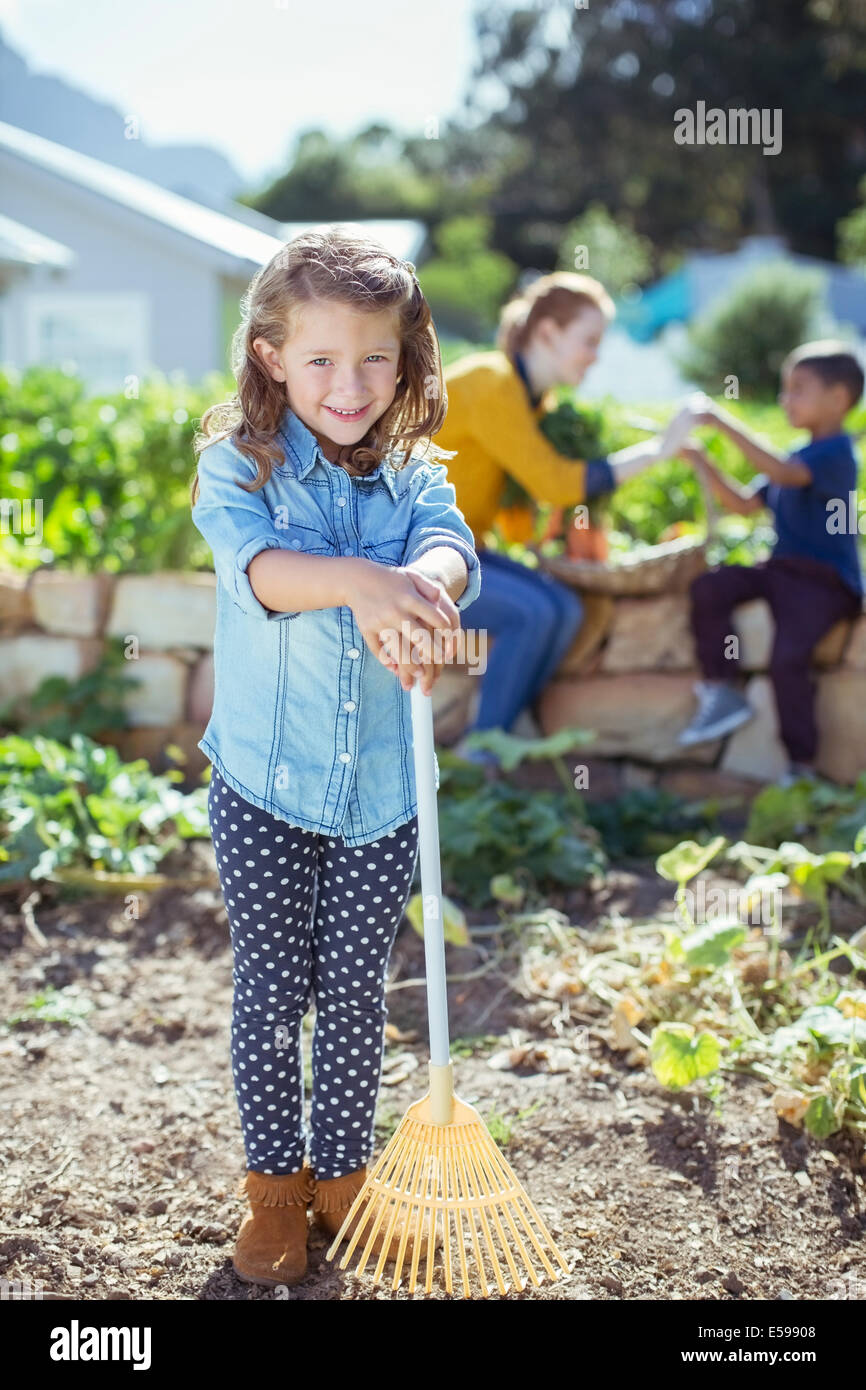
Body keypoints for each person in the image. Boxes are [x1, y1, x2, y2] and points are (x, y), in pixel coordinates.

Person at [189, 223, 481, 1287]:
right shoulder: (241, 468)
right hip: (265, 788)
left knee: (356, 990)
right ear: (270, 355)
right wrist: (364, 582)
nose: (348, 384)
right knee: (274, 994)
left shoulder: (411, 474)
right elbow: (259, 573)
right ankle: (273, 1192)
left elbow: (451, 544)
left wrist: (431, 581)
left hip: (384, 796)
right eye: (318, 358)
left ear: (404, 360)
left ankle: (343, 1180)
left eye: (373, 358)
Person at [431, 272, 693, 764]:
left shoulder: (535, 400)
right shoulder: (494, 382)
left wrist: (547, 540)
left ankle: (500, 733)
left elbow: (513, 505)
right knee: (531, 613)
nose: (595, 356)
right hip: (412, 554)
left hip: (464, 549)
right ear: (547, 332)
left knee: (567, 610)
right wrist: (660, 451)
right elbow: (556, 483)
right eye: (589, 341)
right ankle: (481, 751)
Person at [676, 340, 865, 786]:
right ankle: (721, 689)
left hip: (824, 584)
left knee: (787, 660)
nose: (785, 399)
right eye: (784, 389)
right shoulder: (798, 455)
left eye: (798, 389)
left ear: (839, 398)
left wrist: (720, 420)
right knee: (711, 588)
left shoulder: (836, 455)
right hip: (781, 573)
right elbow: (743, 504)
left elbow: (784, 473)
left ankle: (801, 767)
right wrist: (702, 462)